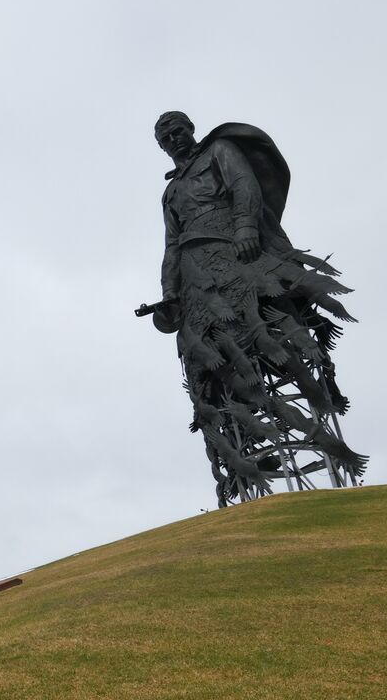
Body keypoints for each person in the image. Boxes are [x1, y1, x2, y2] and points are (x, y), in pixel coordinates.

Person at [152, 111, 364, 506]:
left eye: (178, 130)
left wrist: (247, 227)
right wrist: (169, 293)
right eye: (166, 135)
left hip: (237, 252)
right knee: (218, 371)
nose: (174, 137)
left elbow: (244, 185)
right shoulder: (169, 192)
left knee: (273, 337)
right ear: (160, 145)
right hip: (198, 277)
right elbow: (171, 245)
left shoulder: (219, 149)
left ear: (190, 130)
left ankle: (324, 454)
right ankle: (248, 482)